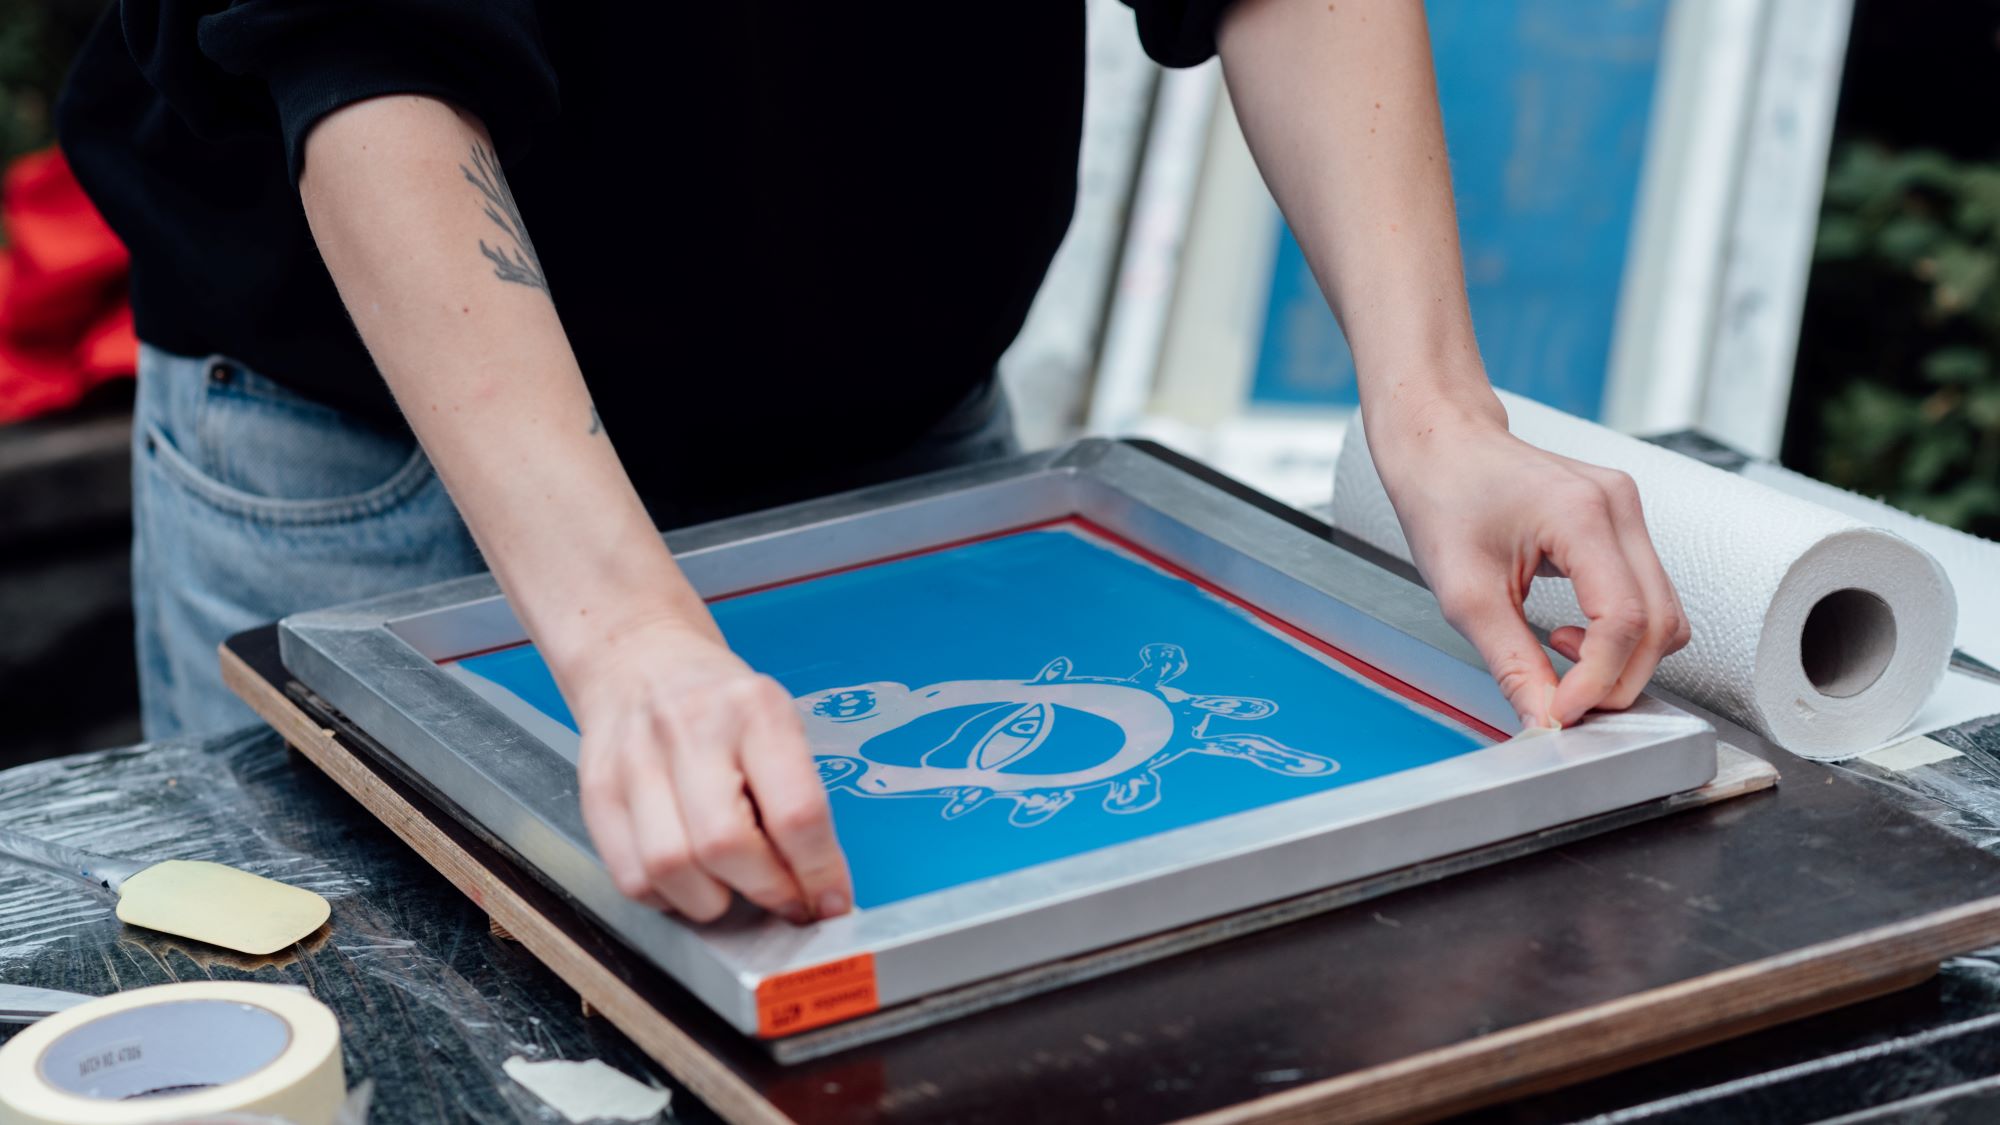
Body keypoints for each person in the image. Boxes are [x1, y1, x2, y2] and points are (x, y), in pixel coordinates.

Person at [59, 1, 1689, 926]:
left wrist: (1433, 409)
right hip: (398, 464)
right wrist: (628, 640)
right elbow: (369, 59)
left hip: (904, 422)